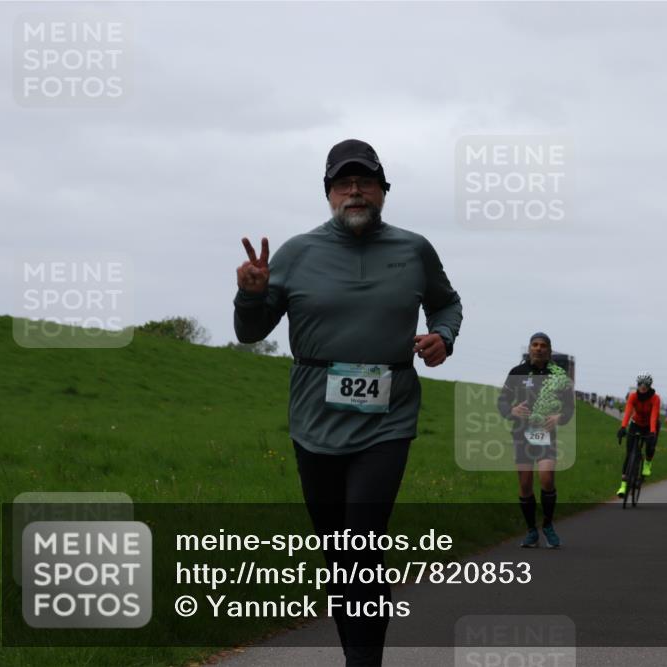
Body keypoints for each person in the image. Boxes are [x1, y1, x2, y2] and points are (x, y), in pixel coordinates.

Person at [233, 138, 463, 666]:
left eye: (365, 181)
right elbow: (250, 333)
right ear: (329, 193)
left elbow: (446, 303)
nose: (355, 191)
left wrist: (442, 337)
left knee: (362, 543)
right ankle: (356, 652)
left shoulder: (414, 250)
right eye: (344, 182)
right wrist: (251, 293)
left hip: (389, 416)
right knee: (339, 553)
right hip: (314, 417)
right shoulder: (296, 252)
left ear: (383, 191)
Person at [497, 333, 575, 549]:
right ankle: (532, 531)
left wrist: (560, 417)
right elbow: (502, 401)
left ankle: (548, 525)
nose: (538, 348)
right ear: (530, 348)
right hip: (521, 433)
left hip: (546, 434)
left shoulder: (559, 375)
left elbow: (569, 407)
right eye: (535, 345)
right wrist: (511, 410)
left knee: (547, 478)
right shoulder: (517, 372)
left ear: (549, 350)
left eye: (543, 345)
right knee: (524, 484)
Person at [616, 373, 661, 498]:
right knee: (630, 453)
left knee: (650, 446)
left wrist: (652, 431)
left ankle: (647, 463)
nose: (642, 387)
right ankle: (623, 487)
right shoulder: (633, 396)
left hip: (650, 425)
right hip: (636, 423)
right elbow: (628, 412)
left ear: (649, 385)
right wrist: (623, 427)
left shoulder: (655, 398)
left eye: (645, 384)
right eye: (640, 384)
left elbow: (653, 415)